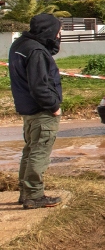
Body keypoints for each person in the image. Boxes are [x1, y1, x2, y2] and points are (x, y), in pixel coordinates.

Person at [8, 14, 64, 209]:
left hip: (28, 109)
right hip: (42, 111)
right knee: (39, 153)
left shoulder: (19, 45)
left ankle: (25, 193)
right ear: (49, 31)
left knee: (30, 151)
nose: (59, 36)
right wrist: (54, 107)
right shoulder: (37, 51)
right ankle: (34, 195)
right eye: (58, 32)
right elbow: (39, 86)